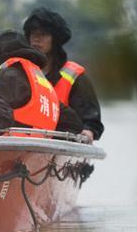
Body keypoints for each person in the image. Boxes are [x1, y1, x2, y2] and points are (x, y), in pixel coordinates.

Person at [23, 7, 103, 142]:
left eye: (43, 34)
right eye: (33, 34)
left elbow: (91, 122)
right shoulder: (20, 72)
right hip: (24, 147)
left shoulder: (74, 77)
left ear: (55, 40)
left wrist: (88, 133)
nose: (36, 39)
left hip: (63, 147)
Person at [0, 30, 84, 135]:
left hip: (4, 147)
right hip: (37, 147)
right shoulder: (42, 85)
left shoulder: (7, 77)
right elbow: (74, 124)